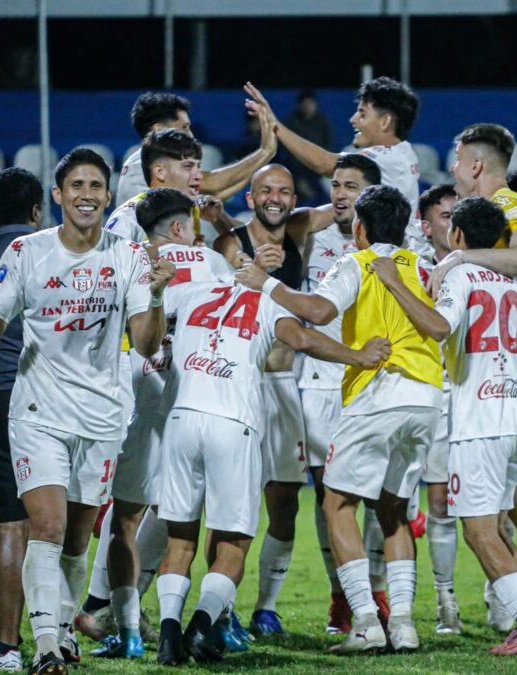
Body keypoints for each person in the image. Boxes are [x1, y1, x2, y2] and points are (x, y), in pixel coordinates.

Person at [236, 184, 441, 654]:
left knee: (336, 505)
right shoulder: (420, 266)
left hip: (379, 395)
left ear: (361, 228)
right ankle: (405, 625)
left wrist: (263, 282)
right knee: (394, 512)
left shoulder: (358, 262)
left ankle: (366, 621)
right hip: (426, 397)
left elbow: (319, 310)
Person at [0, 148, 176, 673]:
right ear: (57, 196)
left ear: (107, 195)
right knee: (47, 528)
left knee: (76, 538)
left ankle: (65, 630)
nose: (86, 195)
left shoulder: (130, 256)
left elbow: (145, 345)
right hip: (37, 410)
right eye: (76, 185)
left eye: (96, 186)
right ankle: (47, 642)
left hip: (100, 416)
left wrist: (158, 297)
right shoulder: (27, 252)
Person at [153, 268, 389, 666]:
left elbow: (149, 322)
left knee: (180, 542)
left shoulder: (191, 291)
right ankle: (201, 624)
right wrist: (358, 356)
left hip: (181, 419)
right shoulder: (267, 299)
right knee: (232, 544)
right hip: (233, 423)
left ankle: (168, 633)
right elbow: (301, 339)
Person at [76, 127, 241, 645]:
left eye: (198, 163)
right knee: (155, 507)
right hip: (162, 381)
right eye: (187, 164)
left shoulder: (152, 233)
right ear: (157, 172)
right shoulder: (142, 225)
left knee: (143, 505)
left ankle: (113, 609)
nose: (198, 173)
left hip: (152, 378)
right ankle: (104, 605)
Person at [378, 196, 517, 655]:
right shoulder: (513, 283)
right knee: (498, 526)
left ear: (458, 235)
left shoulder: (461, 273)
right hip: (514, 418)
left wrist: (394, 284)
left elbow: (439, 326)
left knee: (477, 530)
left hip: (477, 422)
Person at [436, 124, 517, 593]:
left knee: (504, 508)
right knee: (500, 511)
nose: (453, 170)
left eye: (457, 160)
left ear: (476, 164)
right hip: (491, 375)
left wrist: (455, 260)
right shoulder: (487, 213)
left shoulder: (510, 205)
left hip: (498, 379)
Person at [213, 164, 310, 636]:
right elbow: (230, 280)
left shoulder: (301, 229)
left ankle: (266, 607)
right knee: (233, 503)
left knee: (285, 503)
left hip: (284, 390)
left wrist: (278, 141)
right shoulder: (228, 242)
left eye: (285, 191)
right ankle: (221, 607)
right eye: (266, 190)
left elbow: (351, 192)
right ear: (249, 198)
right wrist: (253, 269)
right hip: (241, 387)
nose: (276, 197)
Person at [296, 154, 382, 636]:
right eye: (336, 184)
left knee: (379, 499)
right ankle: (342, 599)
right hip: (319, 385)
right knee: (330, 497)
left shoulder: (395, 244)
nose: (341, 193)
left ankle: (378, 592)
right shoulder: (311, 237)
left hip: (373, 381)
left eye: (352, 185)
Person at [243, 77, 427, 257]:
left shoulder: (385, 158)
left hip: (396, 261)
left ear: (385, 121)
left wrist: (274, 124)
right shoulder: (404, 151)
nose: (353, 119)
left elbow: (324, 163)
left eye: (362, 114)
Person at [0, 168, 42, 672]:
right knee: (14, 523)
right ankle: (7, 644)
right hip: (14, 393)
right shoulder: (39, 253)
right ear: (36, 211)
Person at [414, 184, 465, 635]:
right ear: (425, 225)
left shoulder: (478, 265)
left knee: (444, 506)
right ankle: (385, 603)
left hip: (455, 395)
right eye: (445, 215)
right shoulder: (411, 266)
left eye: (457, 214)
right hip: (409, 389)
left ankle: (449, 601)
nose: (453, 223)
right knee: (387, 506)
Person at [117, 91, 278, 206]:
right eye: (184, 127)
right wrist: (264, 151)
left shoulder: (148, 161)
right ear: (158, 130)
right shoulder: (145, 161)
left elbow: (216, 194)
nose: (191, 135)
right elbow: (213, 183)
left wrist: (263, 159)